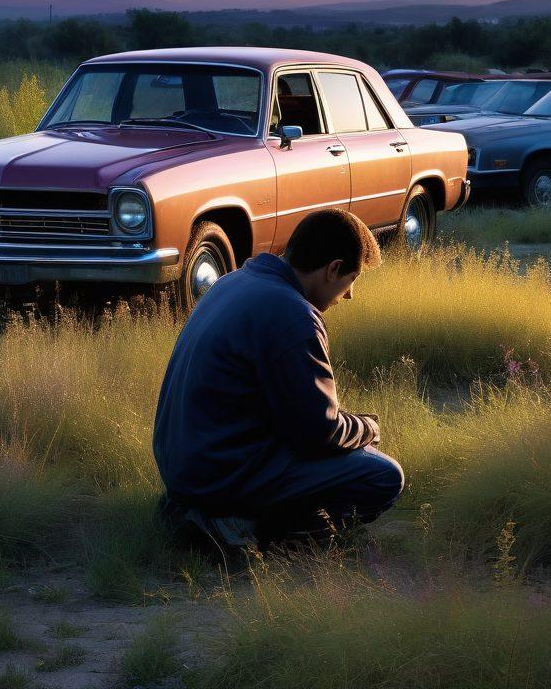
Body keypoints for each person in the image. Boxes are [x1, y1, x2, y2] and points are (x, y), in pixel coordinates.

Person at [153, 208, 404, 551]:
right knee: (383, 475)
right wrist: (367, 428)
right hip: (219, 474)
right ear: (333, 270)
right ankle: (242, 525)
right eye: (351, 280)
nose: (349, 295)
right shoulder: (293, 316)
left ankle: (215, 512)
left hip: (185, 467)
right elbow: (319, 433)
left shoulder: (233, 282)